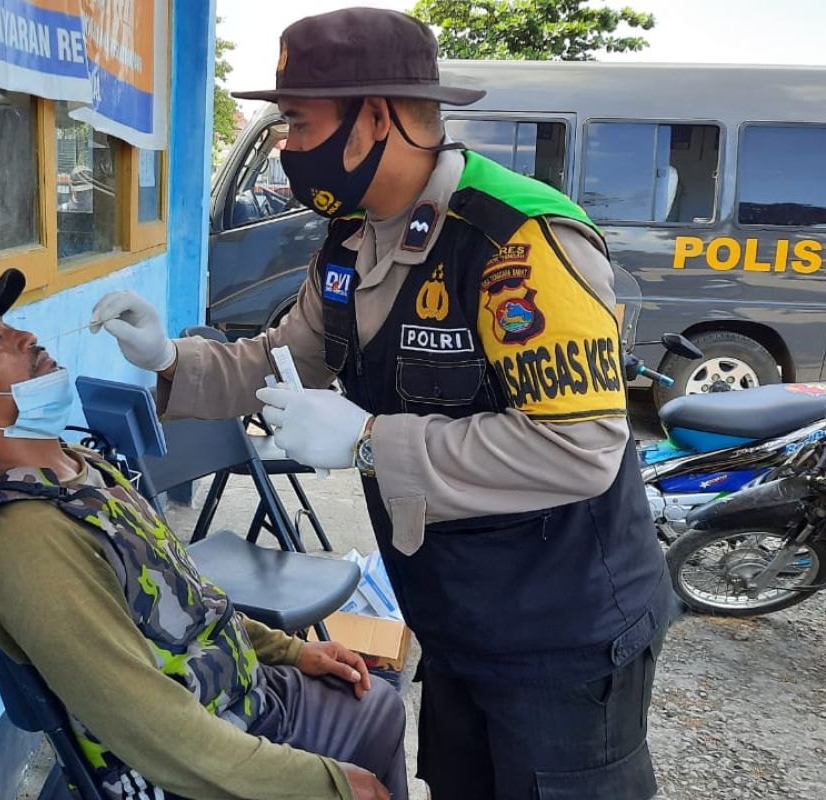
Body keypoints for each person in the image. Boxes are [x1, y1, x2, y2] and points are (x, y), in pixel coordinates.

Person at [91, 8, 670, 800]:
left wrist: (369, 441)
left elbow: (579, 448)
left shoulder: (515, 242)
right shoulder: (353, 238)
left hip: (563, 632)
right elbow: (279, 361)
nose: (288, 146)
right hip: (457, 613)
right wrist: (168, 360)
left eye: (297, 123)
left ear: (376, 117)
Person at [0, 268, 408, 800]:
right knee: (377, 718)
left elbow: (182, 595)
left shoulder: (74, 467)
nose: (26, 336)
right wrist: (323, 784)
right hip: (190, 756)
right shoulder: (28, 541)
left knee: (374, 702)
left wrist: (287, 651)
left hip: (235, 696)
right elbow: (151, 728)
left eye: (7, 325)